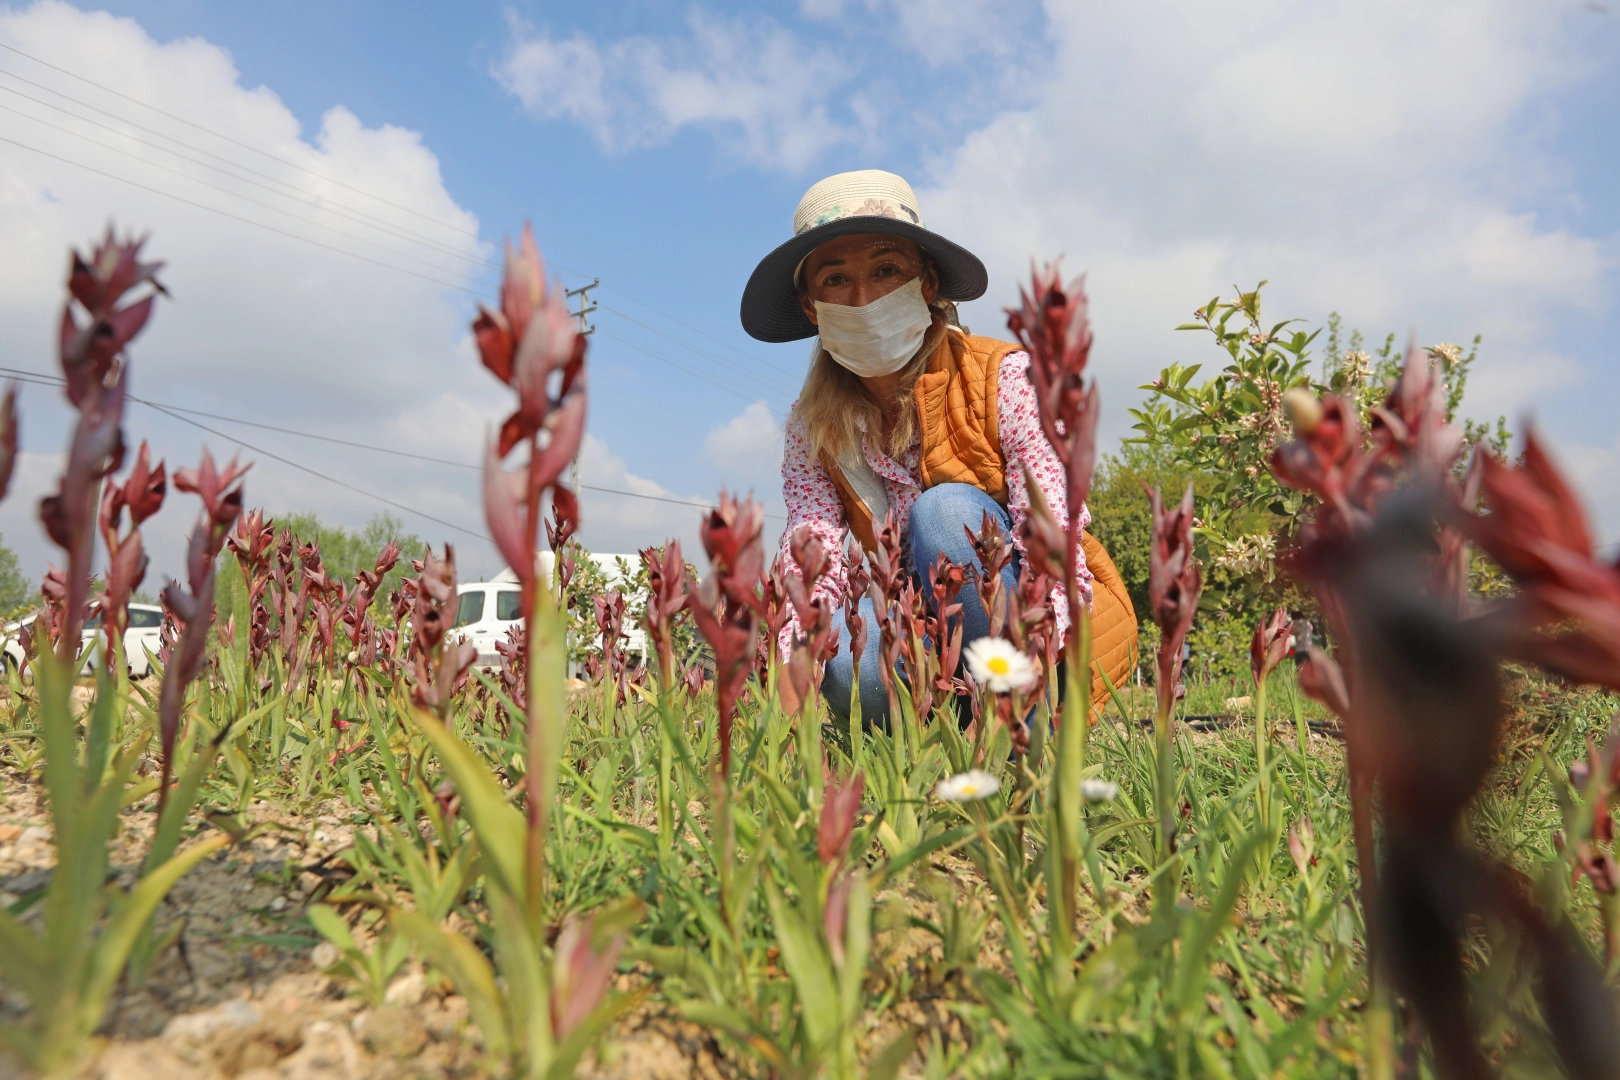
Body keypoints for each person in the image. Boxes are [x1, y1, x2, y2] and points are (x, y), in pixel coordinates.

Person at [740, 169, 1136, 725]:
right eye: (835, 280)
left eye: (885, 271)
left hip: (1030, 629)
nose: (862, 299)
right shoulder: (815, 430)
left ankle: (1021, 716)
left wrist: (1053, 642)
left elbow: (1052, 528)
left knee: (945, 513)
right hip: (921, 626)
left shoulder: (1006, 377)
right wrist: (788, 661)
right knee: (846, 658)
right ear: (811, 307)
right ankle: (942, 734)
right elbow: (815, 550)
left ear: (926, 285)